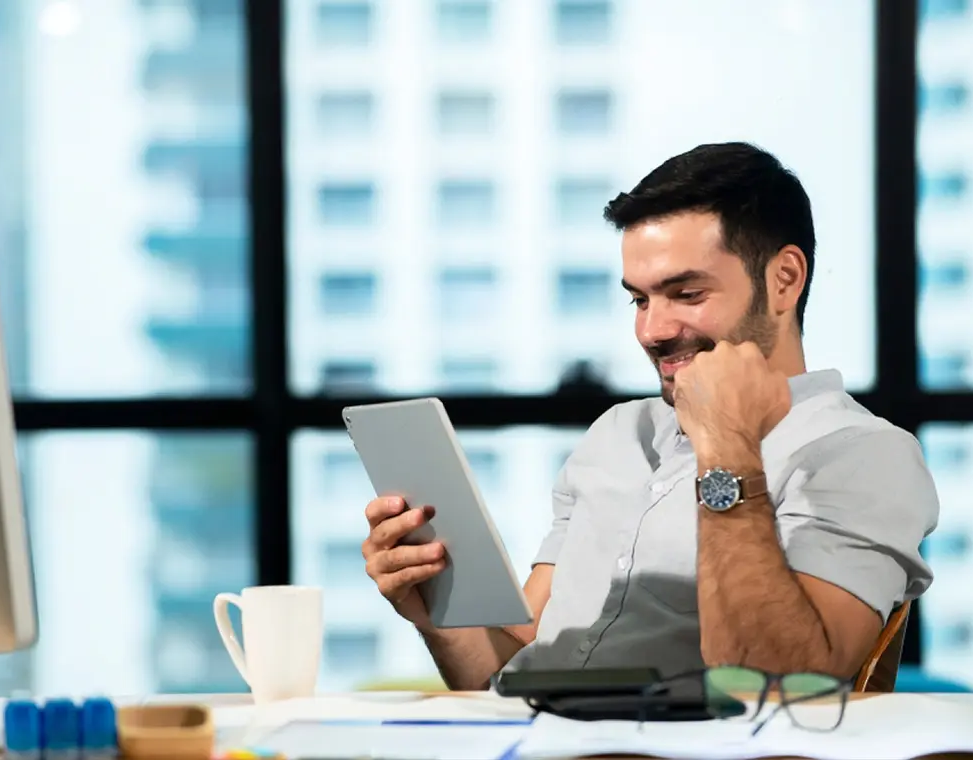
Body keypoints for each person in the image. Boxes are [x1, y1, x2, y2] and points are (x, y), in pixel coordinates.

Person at [360, 142, 939, 691]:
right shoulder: (616, 434)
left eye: (686, 294)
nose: (651, 331)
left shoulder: (863, 454)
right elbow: (514, 671)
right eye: (639, 299)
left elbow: (784, 688)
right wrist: (435, 609)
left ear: (783, 279)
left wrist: (727, 449)